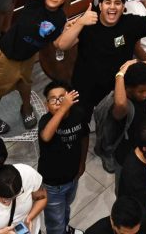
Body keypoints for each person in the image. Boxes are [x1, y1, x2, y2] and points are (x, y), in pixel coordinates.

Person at [0, 0, 82, 134]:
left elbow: (57, 43)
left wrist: (73, 29)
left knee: (25, 84)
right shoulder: (35, 4)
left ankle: (26, 108)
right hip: (8, 55)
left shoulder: (60, 17)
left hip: (28, 56)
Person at [38, 81, 89, 234]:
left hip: (73, 176)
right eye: (53, 99)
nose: (59, 102)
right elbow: (46, 136)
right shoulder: (46, 121)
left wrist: (82, 162)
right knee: (55, 221)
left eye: (62, 98)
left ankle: (65, 229)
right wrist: (63, 109)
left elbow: (84, 137)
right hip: (53, 184)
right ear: (47, 105)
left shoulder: (78, 114)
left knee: (66, 208)